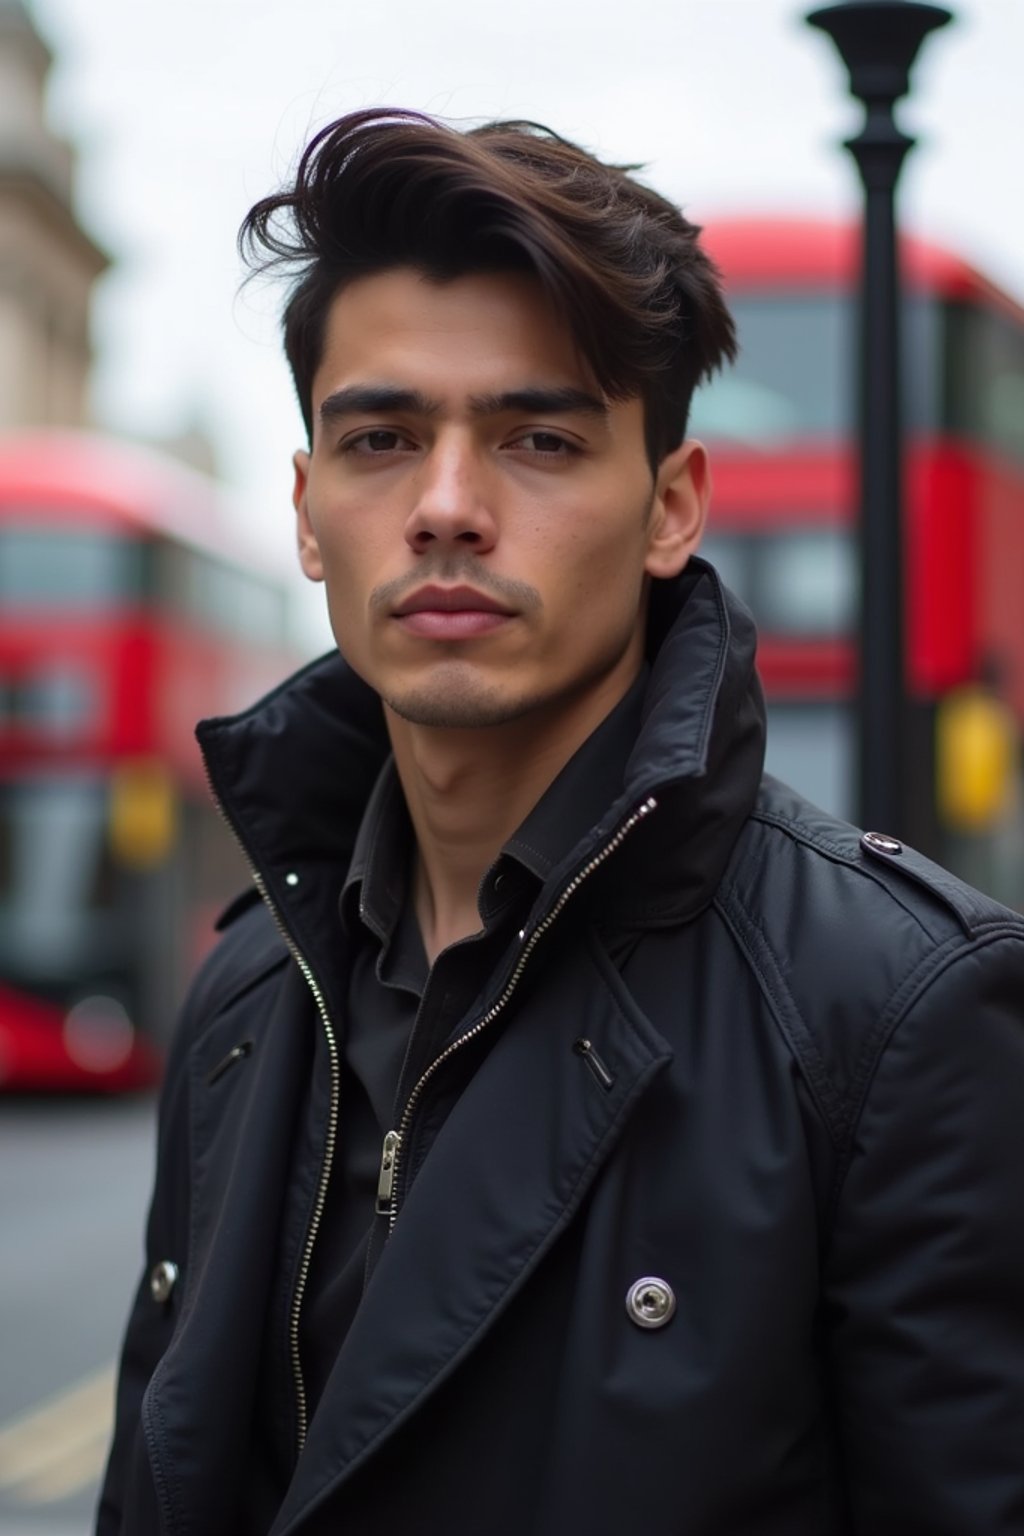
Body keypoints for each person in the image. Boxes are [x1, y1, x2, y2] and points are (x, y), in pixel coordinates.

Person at [97, 109, 1024, 1536]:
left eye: (537, 438)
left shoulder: (896, 1014)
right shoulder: (238, 999)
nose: (448, 508)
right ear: (305, 511)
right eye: (382, 439)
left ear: (671, 507)